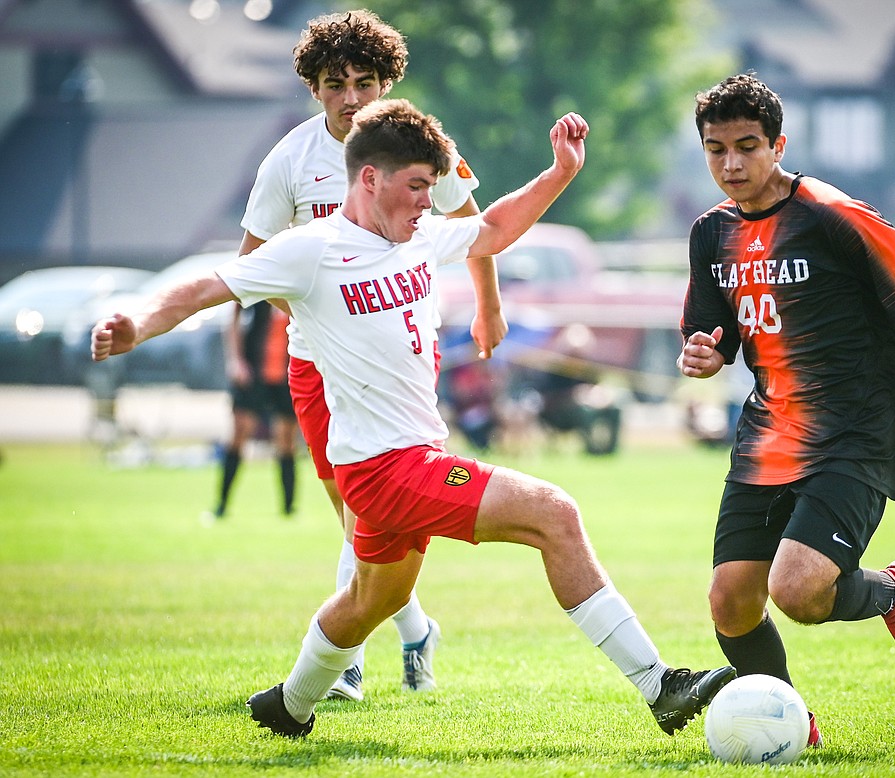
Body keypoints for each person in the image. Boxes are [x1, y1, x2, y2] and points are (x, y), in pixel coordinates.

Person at [92, 99, 734, 739]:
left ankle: (287, 707)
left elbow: (495, 229)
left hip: (394, 460)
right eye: (418, 185)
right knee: (554, 514)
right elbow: (206, 287)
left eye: (432, 185)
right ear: (369, 179)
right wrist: (137, 324)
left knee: (377, 598)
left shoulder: (419, 235)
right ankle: (660, 687)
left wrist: (561, 171)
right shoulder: (310, 251)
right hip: (386, 468)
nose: (430, 200)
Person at [677, 74, 895, 747]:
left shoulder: (830, 214)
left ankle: (894, 592)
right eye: (715, 150)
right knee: (730, 603)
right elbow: (713, 335)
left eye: (746, 147)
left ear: (778, 144)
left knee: (798, 592)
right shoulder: (711, 235)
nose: (731, 164)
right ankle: (792, 725)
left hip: (855, 431)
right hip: (768, 435)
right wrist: (703, 355)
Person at [239, 9, 508, 701]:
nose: (351, 96)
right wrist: (319, 313)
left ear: (387, 81)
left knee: (369, 512)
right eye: (336, 83)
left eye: (364, 81)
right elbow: (252, 265)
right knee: (358, 519)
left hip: (394, 360)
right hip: (314, 364)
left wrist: (489, 306)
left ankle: (344, 666)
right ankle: (416, 632)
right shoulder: (289, 161)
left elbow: (472, 225)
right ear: (314, 88)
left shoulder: (417, 144)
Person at [210, 302, 298, 519]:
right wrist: (235, 360)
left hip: (286, 374)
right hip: (253, 372)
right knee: (239, 434)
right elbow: (234, 314)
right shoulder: (262, 281)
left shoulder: (297, 282)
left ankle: (288, 509)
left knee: (286, 440)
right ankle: (221, 505)